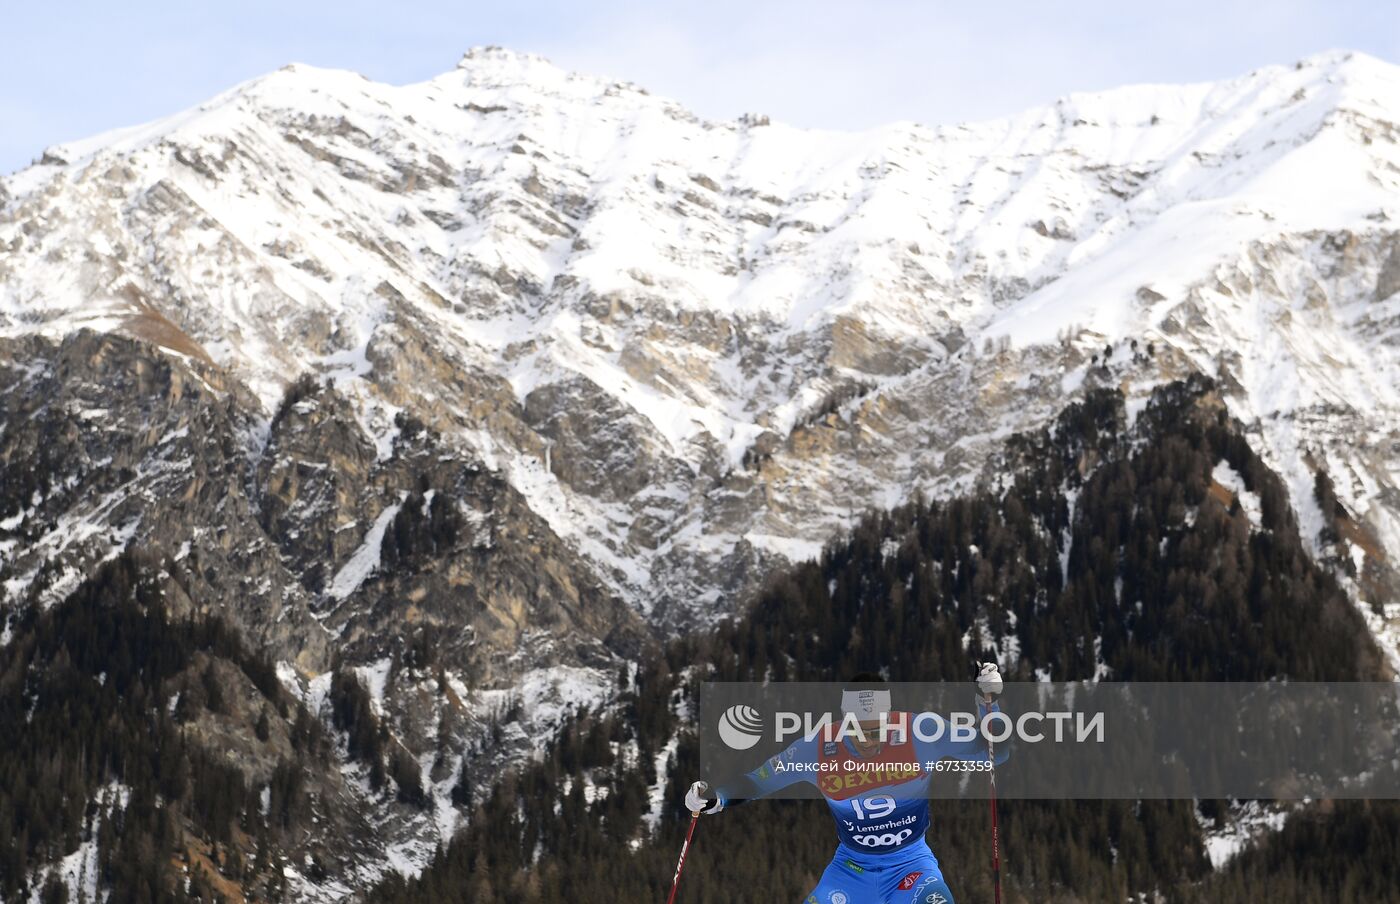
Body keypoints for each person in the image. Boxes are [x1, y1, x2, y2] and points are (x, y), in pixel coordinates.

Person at [686, 664, 1006, 904]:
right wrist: (718, 798)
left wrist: (987, 701)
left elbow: (994, 752)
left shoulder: (921, 733)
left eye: (877, 729)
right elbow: (760, 781)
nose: (868, 740)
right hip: (850, 871)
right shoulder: (817, 748)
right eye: (857, 730)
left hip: (913, 866)